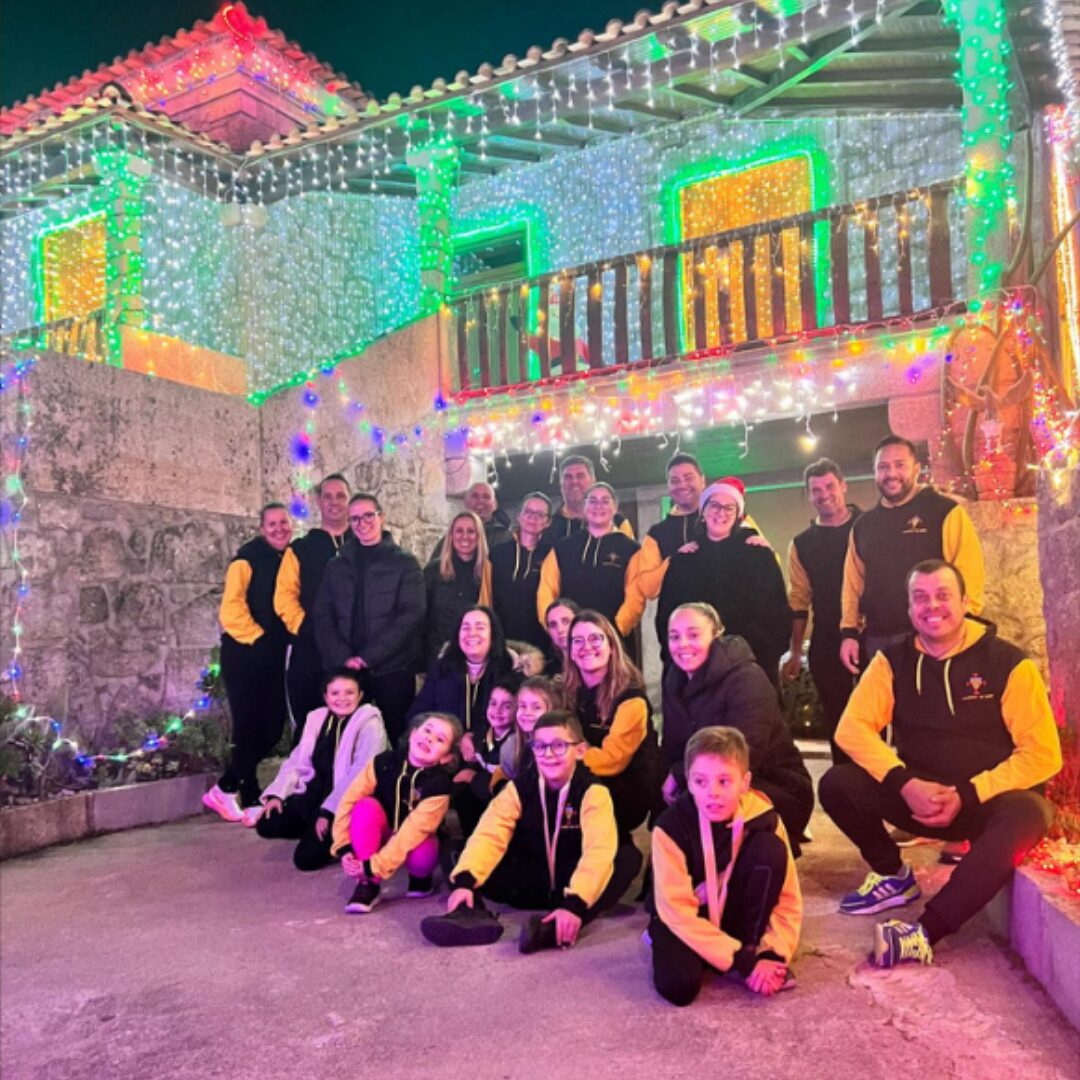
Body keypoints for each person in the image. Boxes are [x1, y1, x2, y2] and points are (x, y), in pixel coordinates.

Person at [819, 560, 1061, 968]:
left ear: (965, 602)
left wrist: (968, 793)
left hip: (984, 805)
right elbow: (851, 728)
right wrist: (905, 783)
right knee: (837, 783)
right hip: (919, 801)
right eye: (920, 597)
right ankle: (894, 876)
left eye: (943, 595)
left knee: (1031, 811)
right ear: (910, 608)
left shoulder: (1008, 663)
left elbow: (1042, 753)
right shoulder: (891, 661)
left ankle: (925, 932)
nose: (932, 606)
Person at [420, 711, 643, 953]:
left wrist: (576, 903)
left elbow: (597, 852)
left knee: (627, 858)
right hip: (525, 883)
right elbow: (490, 834)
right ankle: (471, 912)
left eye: (559, 746)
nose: (548, 754)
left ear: (579, 751)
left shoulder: (593, 792)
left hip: (570, 887)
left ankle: (554, 927)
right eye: (540, 746)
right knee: (454, 852)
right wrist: (465, 882)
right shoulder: (518, 788)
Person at [650, 726, 802, 1005]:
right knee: (678, 987)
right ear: (689, 782)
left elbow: (788, 897)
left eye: (724, 781)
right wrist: (741, 962)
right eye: (701, 781)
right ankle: (728, 954)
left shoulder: (766, 818)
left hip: (733, 908)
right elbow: (677, 910)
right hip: (686, 917)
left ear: (745, 782)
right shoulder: (669, 827)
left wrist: (773, 953)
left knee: (769, 850)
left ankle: (752, 947)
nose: (712, 793)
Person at [663, 603, 813, 853]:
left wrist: (679, 774)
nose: (683, 644)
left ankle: (769, 850)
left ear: (716, 634)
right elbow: (671, 745)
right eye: (674, 637)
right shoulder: (673, 680)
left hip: (770, 785)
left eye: (694, 634)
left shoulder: (746, 679)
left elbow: (745, 753)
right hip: (702, 781)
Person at [840, 435, 985, 674]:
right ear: (875, 472)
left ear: (916, 469)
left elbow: (969, 574)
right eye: (883, 467)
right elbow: (852, 585)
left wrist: (964, 627)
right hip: (878, 640)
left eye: (900, 465)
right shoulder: (863, 526)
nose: (891, 473)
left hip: (933, 637)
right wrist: (849, 632)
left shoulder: (945, 512)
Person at [203, 503, 292, 821]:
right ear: (261, 529)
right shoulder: (245, 560)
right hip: (243, 654)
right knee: (247, 726)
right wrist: (259, 639)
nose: (279, 529)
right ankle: (250, 795)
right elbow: (231, 610)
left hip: (273, 654)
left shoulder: (289, 558)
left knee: (272, 727)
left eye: (284, 522)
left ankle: (225, 788)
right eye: (272, 524)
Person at [657, 479, 791, 690]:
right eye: (714, 505)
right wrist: (674, 657)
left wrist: (769, 651)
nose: (721, 512)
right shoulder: (684, 560)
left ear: (738, 514)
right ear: (703, 511)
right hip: (695, 669)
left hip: (752, 664)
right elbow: (667, 614)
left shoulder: (758, 555)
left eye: (729, 507)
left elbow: (777, 608)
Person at [313, 493, 425, 744]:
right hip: (347, 669)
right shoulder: (336, 565)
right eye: (355, 519)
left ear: (381, 517)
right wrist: (343, 657)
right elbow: (323, 614)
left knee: (398, 736)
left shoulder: (404, 563)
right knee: (345, 740)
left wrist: (368, 657)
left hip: (392, 667)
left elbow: (411, 614)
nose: (362, 523)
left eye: (368, 516)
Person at [253, 669, 389, 869]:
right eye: (335, 693)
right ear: (325, 696)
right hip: (314, 794)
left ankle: (345, 837)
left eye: (349, 692)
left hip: (344, 802)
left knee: (305, 860)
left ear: (360, 695)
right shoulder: (317, 718)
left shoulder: (370, 723)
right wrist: (277, 795)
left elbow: (360, 774)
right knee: (267, 824)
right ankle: (311, 828)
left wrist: (328, 812)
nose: (342, 699)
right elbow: (297, 760)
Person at [331, 711, 463, 913]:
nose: (429, 738)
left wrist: (375, 866)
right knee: (364, 807)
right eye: (427, 731)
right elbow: (348, 801)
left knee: (424, 851)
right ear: (412, 734)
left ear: (446, 757)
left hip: (412, 841)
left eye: (440, 739)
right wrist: (343, 845)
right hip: (381, 831)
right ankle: (369, 884)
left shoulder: (440, 786)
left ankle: (419, 878)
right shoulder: (382, 762)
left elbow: (412, 832)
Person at [783, 459, 862, 763]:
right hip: (827, 641)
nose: (824, 494)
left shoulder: (868, 527)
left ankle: (880, 781)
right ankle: (845, 780)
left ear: (843, 486)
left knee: (876, 715)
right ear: (809, 495)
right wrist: (794, 652)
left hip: (872, 634)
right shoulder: (801, 544)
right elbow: (799, 600)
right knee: (838, 717)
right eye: (816, 490)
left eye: (830, 486)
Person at [563, 610, 664, 836]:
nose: (586, 646)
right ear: (570, 652)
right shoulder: (569, 693)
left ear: (612, 647)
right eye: (577, 641)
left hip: (625, 791)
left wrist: (564, 755)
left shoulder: (632, 699)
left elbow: (611, 761)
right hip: (587, 779)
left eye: (595, 638)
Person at [274, 473, 351, 743]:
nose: (334, 502)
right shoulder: (300, 549)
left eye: (340, 496)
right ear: (318, 501)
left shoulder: (363, 544)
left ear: (349, 501)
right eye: (328, 496)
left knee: (350, 729)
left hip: (352, 651)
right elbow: (284, 596)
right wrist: (306, 627)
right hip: (310, 649)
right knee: (308, 728)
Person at [537, 483, 644, 640]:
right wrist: (555, 627)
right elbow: (546, 591)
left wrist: (615, 631)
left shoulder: (632, 549)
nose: (598, 506)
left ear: (615, 508)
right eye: (592, 501)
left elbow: (635, 598)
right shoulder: (562, 548)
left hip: (615, 639)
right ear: (584, 507)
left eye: (605, 501)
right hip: (570, 640)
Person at [408, 606, 517, 737]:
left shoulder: (510, 671)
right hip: (446, 743)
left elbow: (515, 721)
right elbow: (419, 713)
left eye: (480, 627)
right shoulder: (442, 669)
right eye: (466, 627)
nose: (472, 633)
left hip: (493, 745)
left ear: (493, 635)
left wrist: (476, 740)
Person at [453, 674, 522, 837]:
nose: (497, 711)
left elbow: (510, 786)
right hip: (481, 794)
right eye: (493, 703)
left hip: (503, 802)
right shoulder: (481, 734)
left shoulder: (517, 744)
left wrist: (474, 778)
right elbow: (473, 760)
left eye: (507, 706)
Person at [423, 511, 493, 668]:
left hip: (476, 656)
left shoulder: (489, 572)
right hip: (438, 655)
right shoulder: (433, 570)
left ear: (479, 536)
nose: (465, 536)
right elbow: (422, 616)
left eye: (471, 531)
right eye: (459, 531)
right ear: (451, 536)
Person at [487, 492, 554, 654]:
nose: (533, 518)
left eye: (540, 514)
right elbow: (486, 595)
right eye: (528, 511)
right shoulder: (497, 553)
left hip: (540, 640)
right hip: (502, 637)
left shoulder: (552, 554)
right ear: (519, 516)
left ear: (548, 522)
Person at [542, 455, 634, 543]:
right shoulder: (548, 527)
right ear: (560, 484)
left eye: (580, 476)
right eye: (568, 477)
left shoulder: (618, 523)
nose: (574, 481)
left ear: (594, 482)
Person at [429, 481, 512, 561]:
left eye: (486, 497)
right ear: (465, 502)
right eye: (475, 496)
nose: (481, 501)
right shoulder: (451, 538)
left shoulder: (506, 538)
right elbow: (436, 567)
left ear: (495, 505)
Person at [500, 675, 562, 781]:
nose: (527, 713)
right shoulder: (511, 747)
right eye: (522, 706)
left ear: (553, 711)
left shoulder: (562, 749)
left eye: (536, 707)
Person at [542, 598, 579, 676]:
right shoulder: (546, 672)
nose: (560, 630)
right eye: (553, 625)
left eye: (566, 621)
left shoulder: (597, 665)